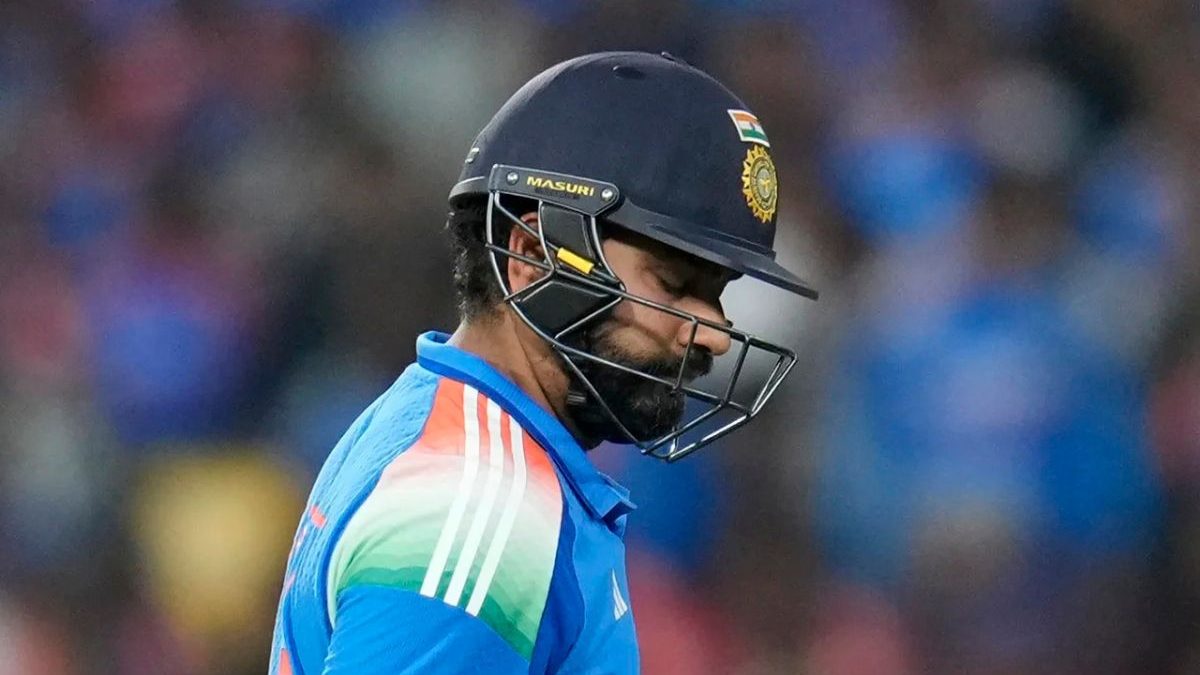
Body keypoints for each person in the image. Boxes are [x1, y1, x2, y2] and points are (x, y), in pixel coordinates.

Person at [269, 51, 818, 675]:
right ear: (532, 256)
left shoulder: (441, 425)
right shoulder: (479, 508)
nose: (716, 332)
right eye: (673, 283)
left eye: (715, 293)